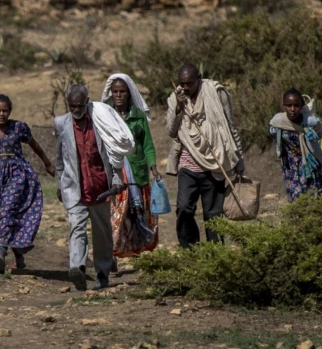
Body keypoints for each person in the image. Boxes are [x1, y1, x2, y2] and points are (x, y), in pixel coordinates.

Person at [55, 84, 135, 290]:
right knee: (77, 228)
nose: (76, 110)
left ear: (87, 102)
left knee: (102, 233)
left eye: (80, 106)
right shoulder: (61, 123)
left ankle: (102, 273)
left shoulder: (100, 121)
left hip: (100, 187)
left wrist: (117, 178)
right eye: (72, 106)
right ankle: (78, 268)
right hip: (75, 188)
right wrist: (60, 184)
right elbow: (60, 159)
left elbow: (113, 153)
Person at [166, 64, 245, 248]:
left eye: (190, 83)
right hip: (188, 164)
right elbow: (171, 131)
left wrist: (239, 160)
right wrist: (178, 107)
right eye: (182, 84)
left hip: (215, 164)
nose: (186, 87)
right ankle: (191, 251)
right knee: (184, 208)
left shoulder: (216, 93)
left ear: (199, 78)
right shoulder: (175, 98)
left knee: (213, 215)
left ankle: (215, 255)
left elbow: (230, 126)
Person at [0, 94, 55, 273]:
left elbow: (34, 145)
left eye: (5, 111)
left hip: (19, 173)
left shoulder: (18, 127)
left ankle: (1, 250)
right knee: (11, 214)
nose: (2, 114)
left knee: (7, 210)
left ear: (10, 111)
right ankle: (19, 256)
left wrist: (47, 163)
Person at [101, 73, 159, 257]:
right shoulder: (106, 117)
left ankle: (137, 251)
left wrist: (153, 166)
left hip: (136, 171)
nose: (118, 95)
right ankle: (112, 253)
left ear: (129, 93)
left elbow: (147, 145)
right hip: (116, 172)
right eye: (115, 91)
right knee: (117, 215)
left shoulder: (138, 116)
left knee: (136, 213)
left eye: (122, 91)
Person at [269, 88, 322, 202]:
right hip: (290, 165)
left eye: (296, 105)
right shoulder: (278, 121)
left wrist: (311, 134)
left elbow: (320, 134)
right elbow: (273, 133)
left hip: (310, 162)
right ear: (284, 106)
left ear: (302, 106)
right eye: (289, 105)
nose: (292, 109)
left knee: (314, 197)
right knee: (296, 198)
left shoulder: (310, 122)